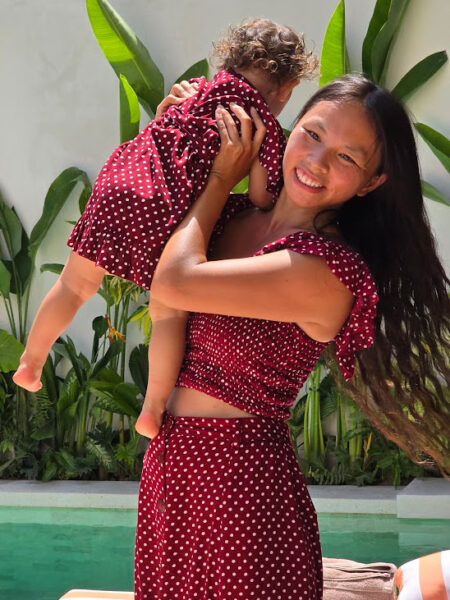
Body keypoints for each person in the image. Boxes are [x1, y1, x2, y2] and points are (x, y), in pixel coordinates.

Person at [133, 74, 450, 598]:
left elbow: (173, 282)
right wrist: (178, 129)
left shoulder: (326, 270)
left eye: (348, 158)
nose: (318, 161)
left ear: (371, 183)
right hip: (174, 468)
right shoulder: (234, 218)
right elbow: (144, 239)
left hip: (241, 486)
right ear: (291, 128)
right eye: (313, 134)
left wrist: (216, 180)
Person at [12, 19, 317, 438]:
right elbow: (265, 198)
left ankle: (30, 362)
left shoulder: (194, 88)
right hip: (164, 205)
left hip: (123, 177)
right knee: (168, 312)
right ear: (286, 88)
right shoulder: (259, 118)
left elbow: (166, 129)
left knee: (75, 284)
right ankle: (152, 410)